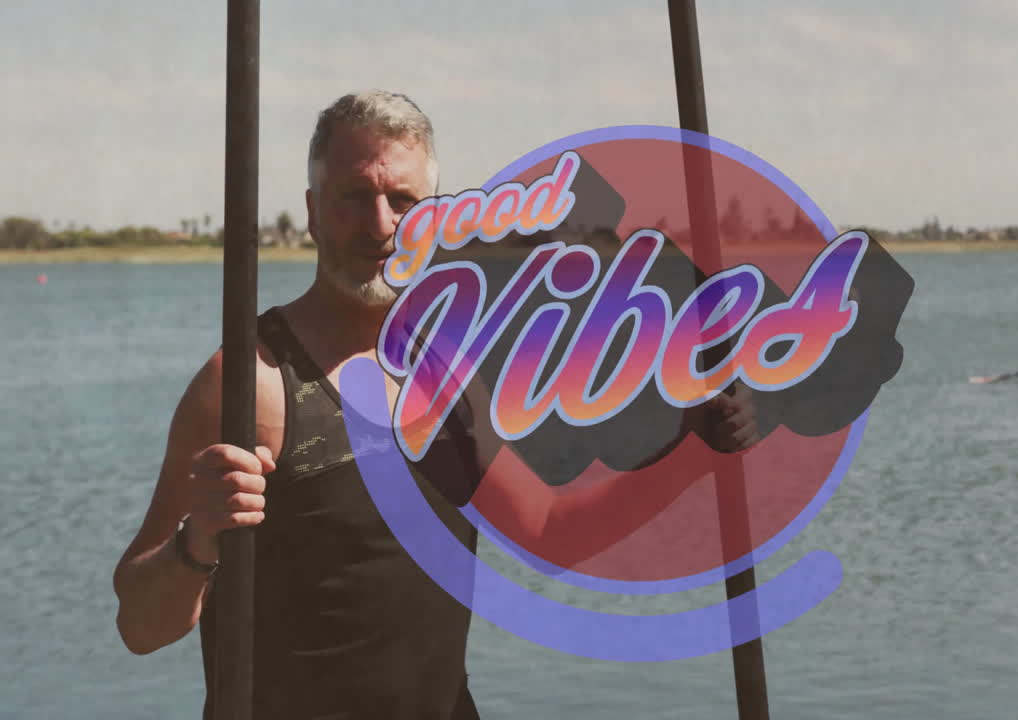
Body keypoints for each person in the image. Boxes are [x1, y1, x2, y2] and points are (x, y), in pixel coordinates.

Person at [112, 90, 760, 719]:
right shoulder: (247, 383)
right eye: (353, 198)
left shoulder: (445, 371)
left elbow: (551, 531)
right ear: (312, 212)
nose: (379, 224)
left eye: (402, 200)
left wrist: (693, 452)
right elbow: (140, 625)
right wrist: (196, 540)